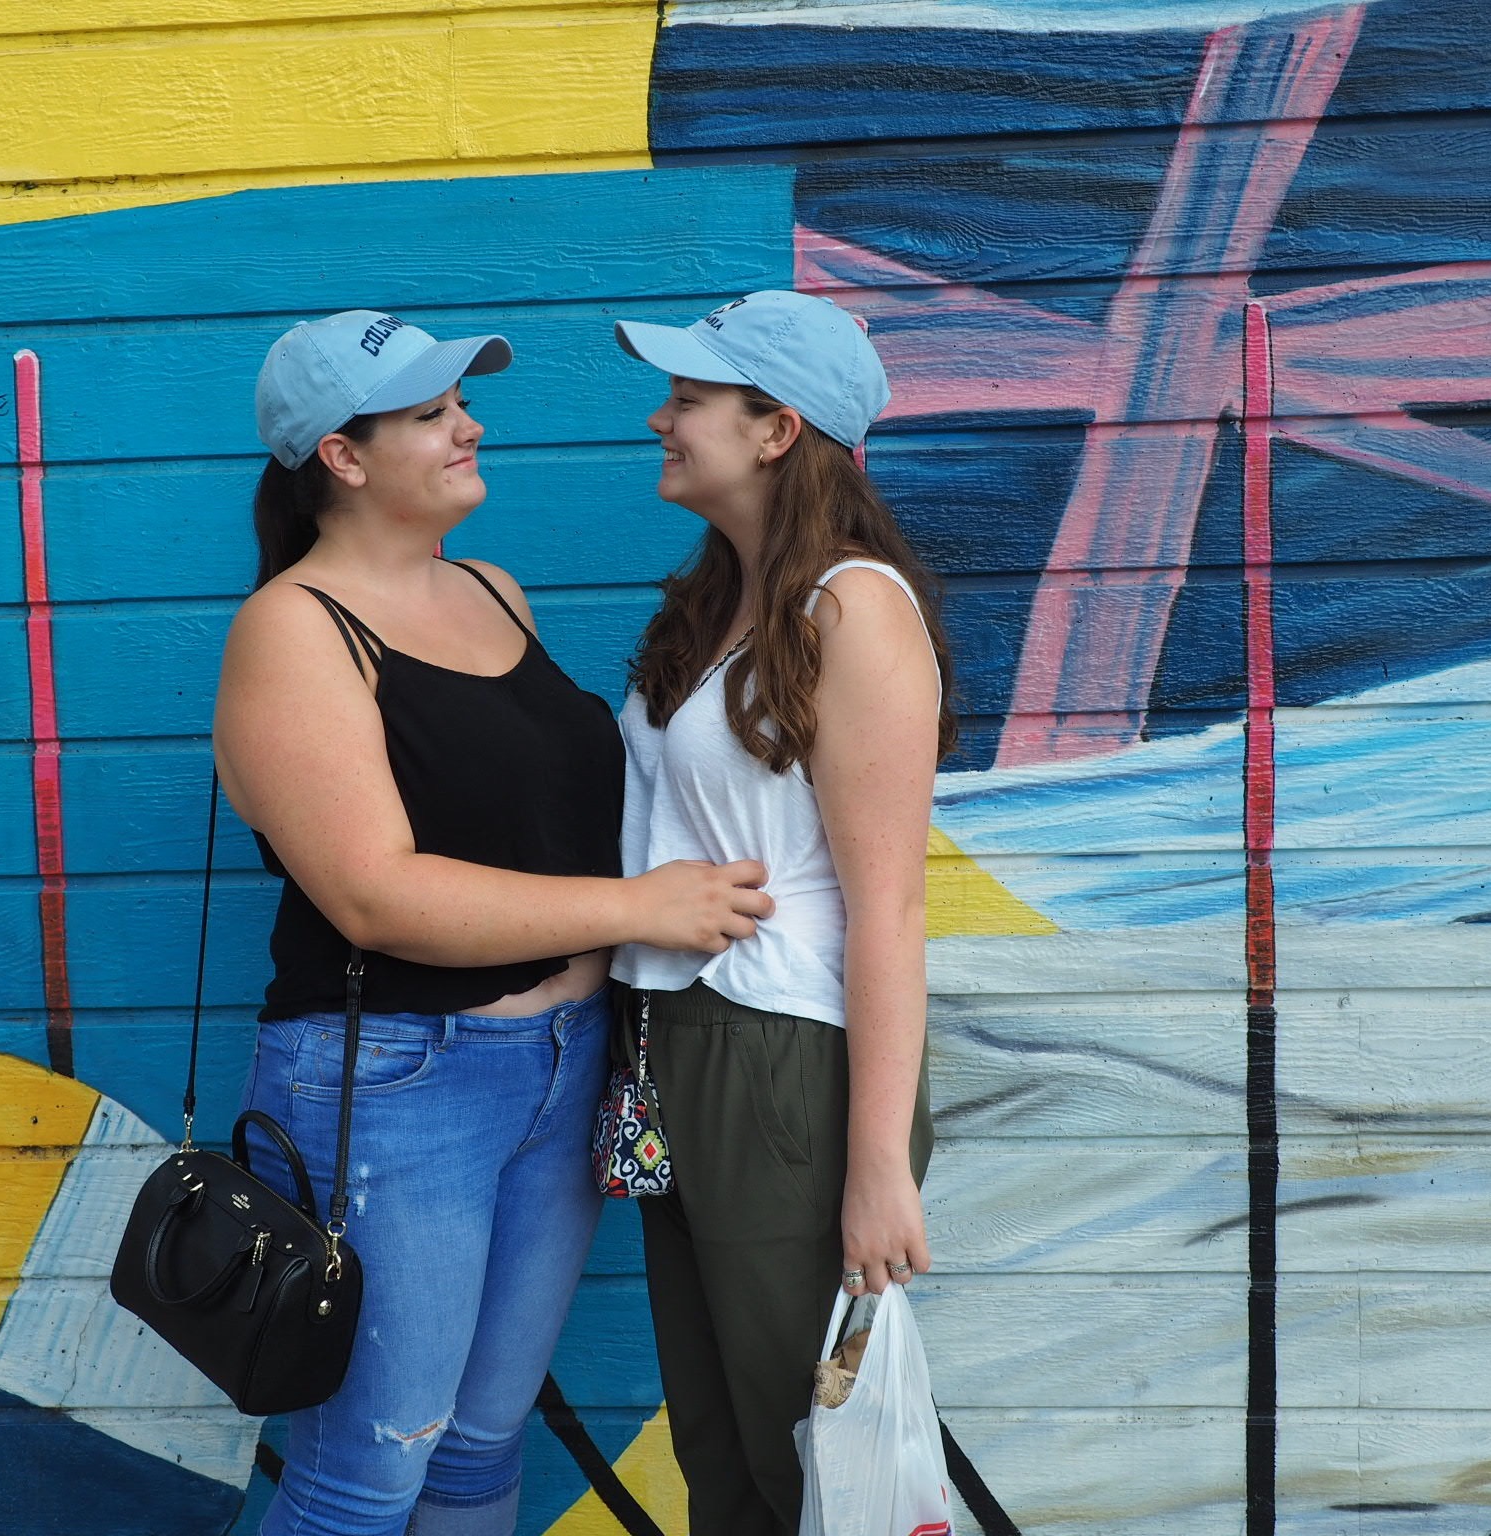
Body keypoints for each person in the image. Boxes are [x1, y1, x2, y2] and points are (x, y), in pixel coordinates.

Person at [212, 310, 774, 1536]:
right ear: (342, 459)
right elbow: (376, 893)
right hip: (399, 1087)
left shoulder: (489, 591)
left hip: (564, 1070)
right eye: (430, 413)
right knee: (366, 1475)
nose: (470, 425)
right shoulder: (294, 633)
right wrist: (638, 911)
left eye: (459, 402)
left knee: (476, 1450)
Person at [609, 289, 956, 1535]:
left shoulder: (849, 609)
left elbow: (891, 908)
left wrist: (876, 1165)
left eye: (688, 398)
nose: (661, 416)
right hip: (676, 1045)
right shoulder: (715, 607)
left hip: (785, 1061)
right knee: (719, 1448)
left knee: (801, 1453)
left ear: (773, 429)